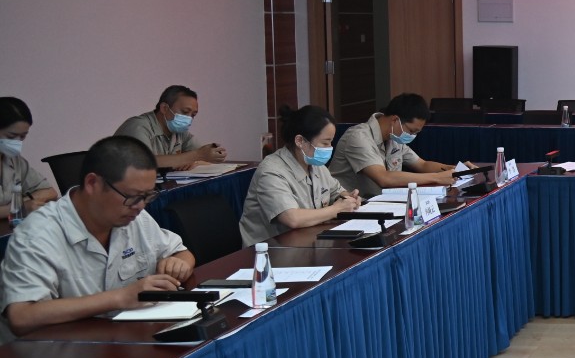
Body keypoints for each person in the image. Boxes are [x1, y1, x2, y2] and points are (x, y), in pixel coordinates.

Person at [0, 136, 195, 336]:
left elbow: (182, 253)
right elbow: (21, 316)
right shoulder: (37, 234)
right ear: (92, 183)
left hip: (123, 339)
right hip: (62, 349)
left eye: (147, 196)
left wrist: (179, 264)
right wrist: (120, 298)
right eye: (132, 196)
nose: (140, 206)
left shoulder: (133, 216)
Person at [238, 105, 361, 245]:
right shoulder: (271, 171)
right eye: (325, 143)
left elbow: (336, 192)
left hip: (308, 243)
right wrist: (336, 209)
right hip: (270, 252)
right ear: (300, 141)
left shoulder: (315, 165)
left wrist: (349, 198)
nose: (329, 148)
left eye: (331, 142)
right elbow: (292, 218)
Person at [329, 92, 456, 198]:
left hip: (380, 204)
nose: (412, 136)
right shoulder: (358, 137)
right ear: (395, 120)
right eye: (411, 131)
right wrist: (437, 178)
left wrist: (454, 170)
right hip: (349, 206)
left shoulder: (393, 137)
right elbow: (384, 178)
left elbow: (422, 165)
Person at [115, 84, 227, 170]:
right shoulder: (138, 126)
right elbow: (144, 162)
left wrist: (195, 161)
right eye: (185, 112)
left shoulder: (179, 132)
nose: (189, 118)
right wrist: (197, 155)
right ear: (164, 108)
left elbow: (207, 158)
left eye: (193, 115)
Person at [0, 96, 59, 218]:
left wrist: (22, 203)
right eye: (11, 136)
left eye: (23, 136)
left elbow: (49, 191)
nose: (17, 142)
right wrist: (18, 208)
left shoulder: (14, 159)